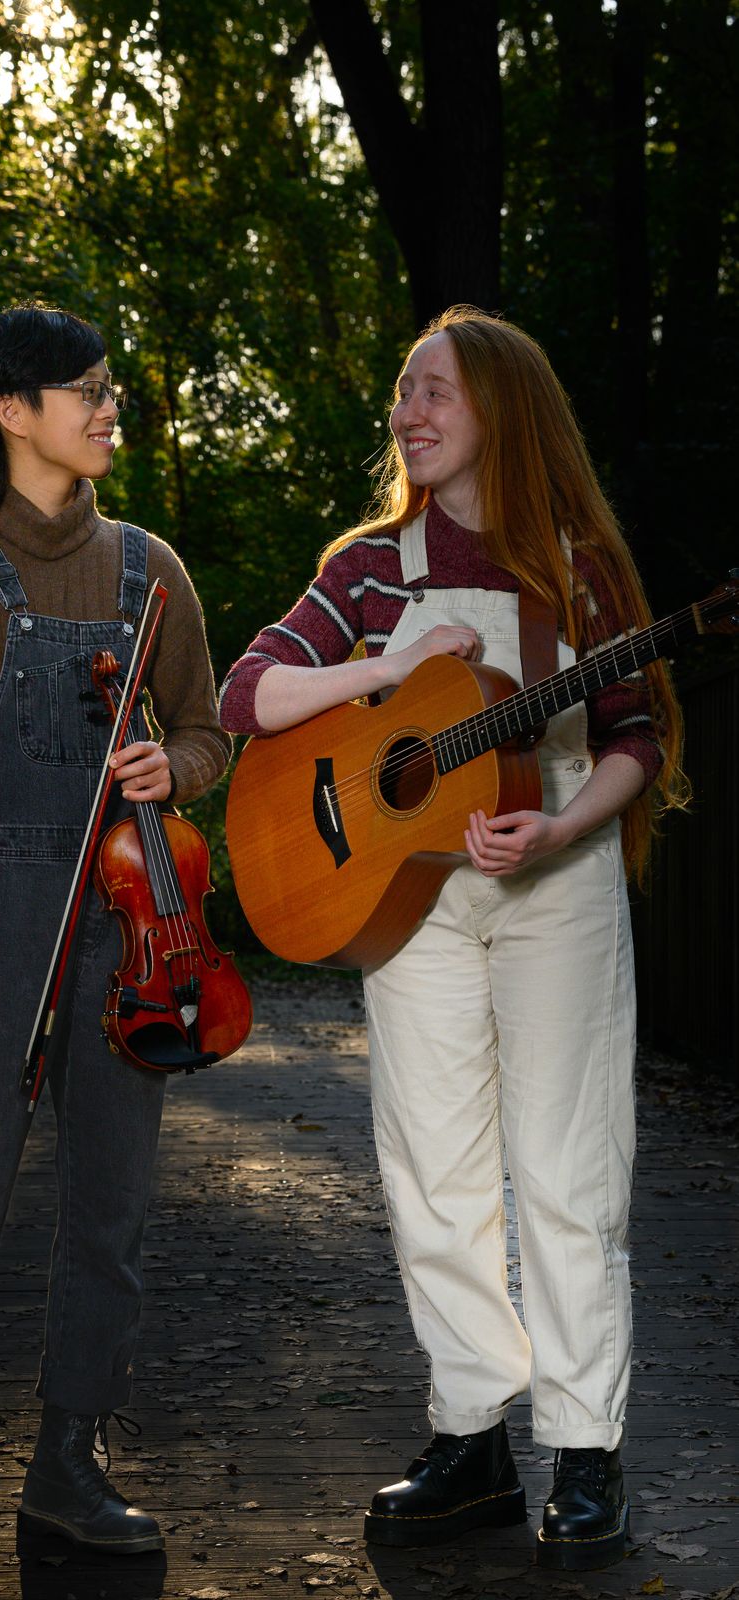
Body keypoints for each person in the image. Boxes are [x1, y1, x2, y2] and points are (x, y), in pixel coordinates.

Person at [219, 305, 688, 1570]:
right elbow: (247, 694)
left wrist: (561, 825)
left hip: (555, 883)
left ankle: (584, 1452)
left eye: (432, 391)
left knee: (567, 1167)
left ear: (499, 406)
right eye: (401, 392)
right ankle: (470, 1439)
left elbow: (632, 733)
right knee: (432, 1168)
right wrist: (383, 674)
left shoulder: (577, 564)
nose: (406, 413)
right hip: (408, 894)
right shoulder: (371, 567)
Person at [0, 304, 230, 1575]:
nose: (106, 403)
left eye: (108, 383)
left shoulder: (150, 567)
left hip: (129, 929)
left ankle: (66, 1463)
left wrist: (175, 767)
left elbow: (207, 729)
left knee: (111, 1203)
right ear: (12, 411)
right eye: (82, 387)